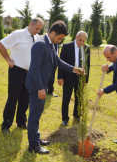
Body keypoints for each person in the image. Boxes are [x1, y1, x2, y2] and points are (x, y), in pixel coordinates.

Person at [26, 21, 84, 154]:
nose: (59, 41)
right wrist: (41, 88)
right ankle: (33, 146)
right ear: (52, 33)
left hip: (42, 85)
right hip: (37, 86)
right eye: (59, 38)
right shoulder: (40, 45)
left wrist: (74, 69)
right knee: (34, 115)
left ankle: (36, 138)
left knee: (37, 113)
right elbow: (34, 69)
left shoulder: (51, 44)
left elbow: (57, 61)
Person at [0, 18, 44, 134]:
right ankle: (6, 125)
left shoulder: (37, 38)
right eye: (37, 28)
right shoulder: (18, 34)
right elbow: (1, 44)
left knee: (25, 99)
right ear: (30, 24)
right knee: (13, 98)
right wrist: (8, 60)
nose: (38, 31)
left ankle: (21, 122)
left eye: (40, 29)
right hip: (16, 71)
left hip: (30, 74)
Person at [58, 31, 90, 126]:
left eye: (83, 41)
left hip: (80, 78)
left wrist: (86, 79)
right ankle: (65, 118)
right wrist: (60, 77)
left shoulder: (87, 48)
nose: (81, 43)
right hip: (68, 77)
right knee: (66, 98)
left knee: (79, 98)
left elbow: (87, 65)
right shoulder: (67, 47)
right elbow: (60, 63)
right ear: (76, 37)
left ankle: (77, 116)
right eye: (80, 40)